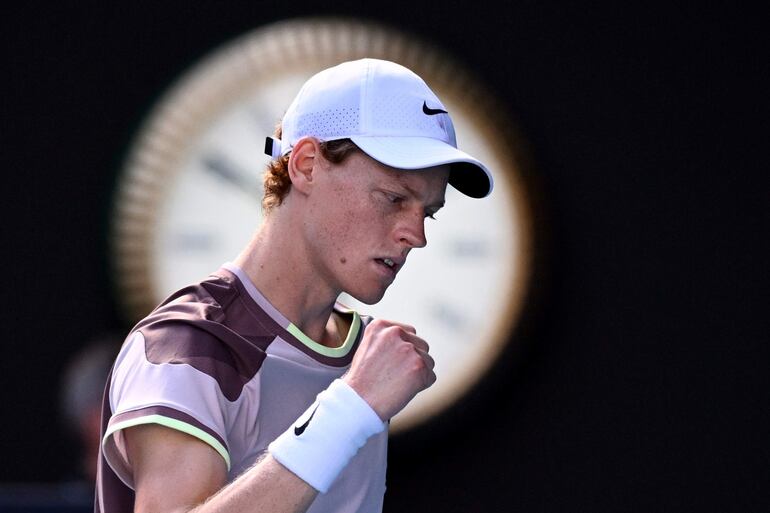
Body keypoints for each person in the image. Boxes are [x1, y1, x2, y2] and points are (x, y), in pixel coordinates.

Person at [95, 58, 493, 513]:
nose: (416, 235)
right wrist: (351, 409)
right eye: (394, 198)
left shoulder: (361, 356)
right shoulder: (188, 345)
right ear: (305, 165)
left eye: (428, 212)